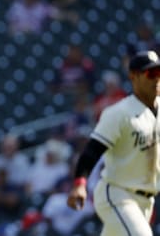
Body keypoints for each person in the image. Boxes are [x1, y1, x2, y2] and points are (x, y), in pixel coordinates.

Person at [67, 50, 160, 236]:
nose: (156, 78)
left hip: (145, 200)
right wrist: (79, 184)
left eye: (159, 73)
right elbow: (91, 152)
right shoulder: (118, 113)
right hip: (118, 195)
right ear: (133, 76)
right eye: (151, 73)